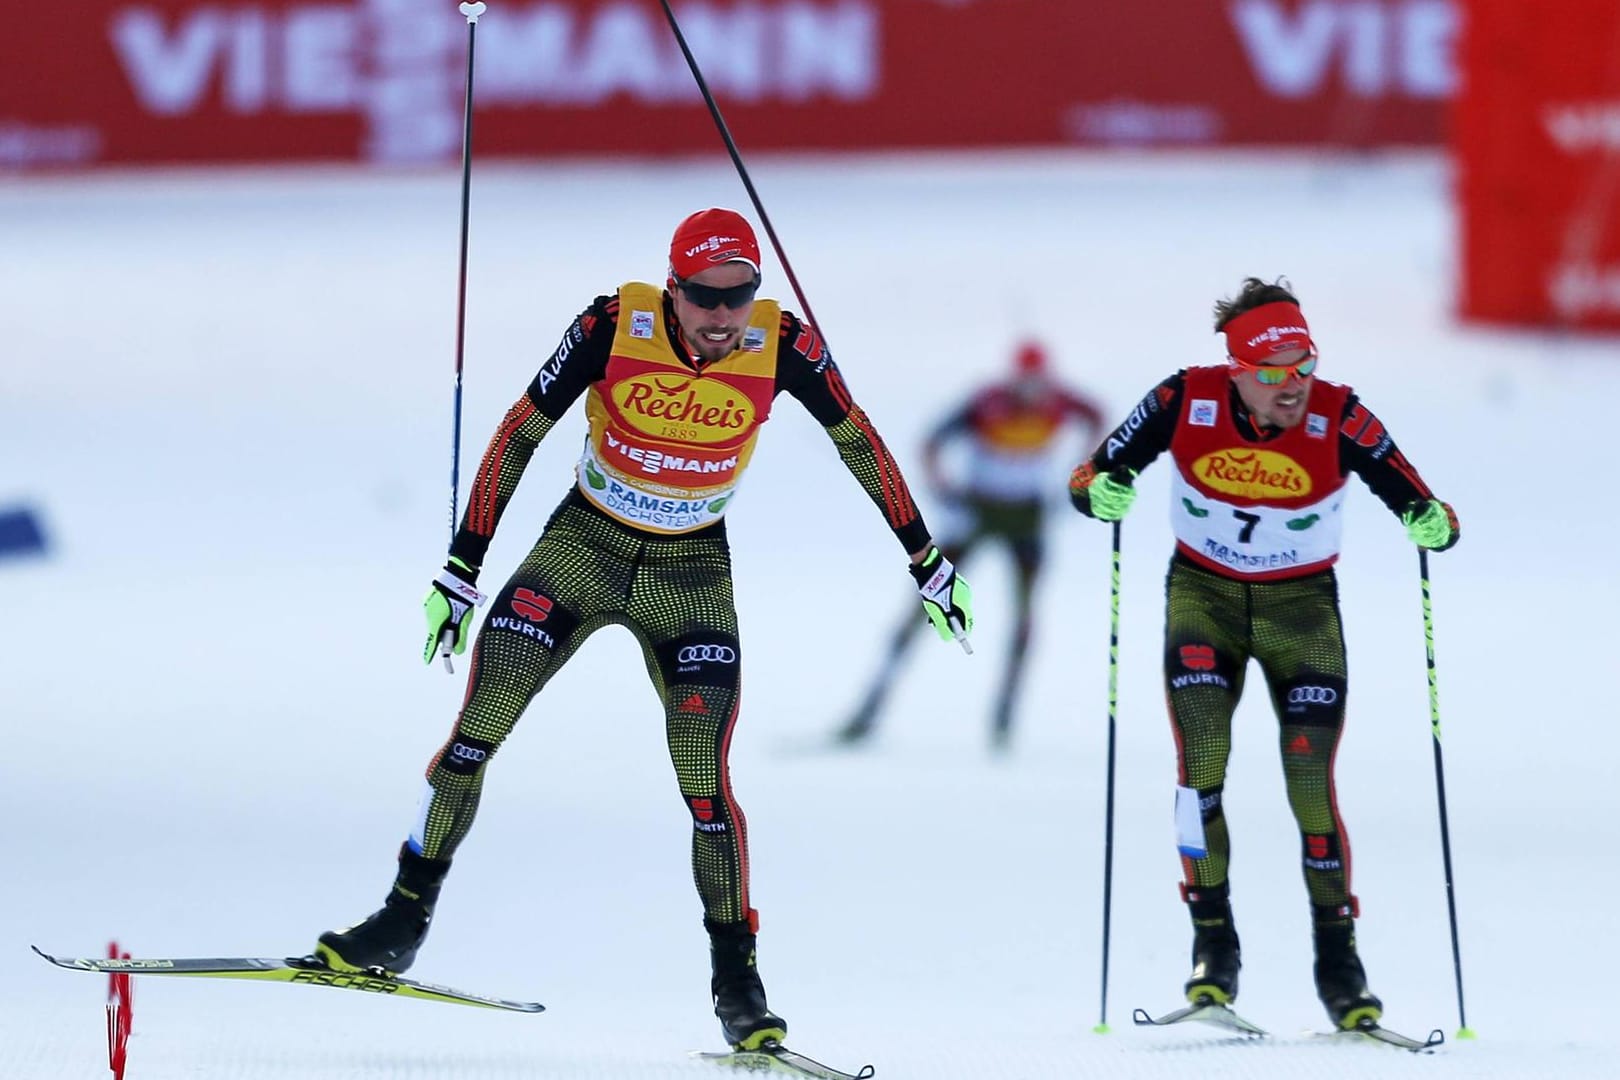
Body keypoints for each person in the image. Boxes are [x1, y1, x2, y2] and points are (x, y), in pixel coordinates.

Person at [310, 208, 974, 1050]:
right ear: (673, 288)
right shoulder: (610, 325)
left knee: (706, 785)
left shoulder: (785, 345)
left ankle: (740, 985)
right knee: (476, 734)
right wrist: (463, 563)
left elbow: (861, 442)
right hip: (581, 548)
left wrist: (926, 558)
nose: (724, 316)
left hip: (691, 573)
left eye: (741, 295)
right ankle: (400, 920)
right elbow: (520, 431)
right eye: (706, 298)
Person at [1067, 277, 1459, 1031]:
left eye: (1304, 370)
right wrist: (1098, 494)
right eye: (1276, 375)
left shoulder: (1340, 413)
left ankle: (1339, 963)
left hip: (1301, 610)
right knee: (1201, 770)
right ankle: (1213, 946)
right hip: (1203, 599)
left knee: (1311, 782)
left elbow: (1417, 496)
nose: (1295, 389)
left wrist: (1432, 520)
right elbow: (1091, 474)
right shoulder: (1186, 399)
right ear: (1240, 368)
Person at [834, 342, 1105, 750]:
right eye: (1025, 380)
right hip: (977, 510)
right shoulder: (987, 402)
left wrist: (1081, 473)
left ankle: (1003, 722)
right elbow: (931, 442)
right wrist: (943, 490)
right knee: (929, 599)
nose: (1032, 390)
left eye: (1038, 381)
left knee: (1025, 617)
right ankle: (869, 709)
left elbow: (1096, 418)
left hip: (1027, 518)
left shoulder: (1061, 402)